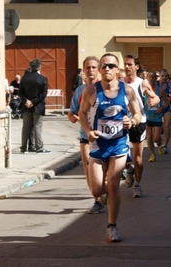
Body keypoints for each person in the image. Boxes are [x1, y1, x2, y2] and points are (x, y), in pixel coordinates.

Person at [78, 53, 142, 242]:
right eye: (104, 66)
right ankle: (128, 168)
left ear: (117, 70)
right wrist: (88, 130)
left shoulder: (127, 90)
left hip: (118, 144)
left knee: (113, 186)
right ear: (99, 69)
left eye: (111, 66)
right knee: (97, 190)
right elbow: (82, 113)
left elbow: (137, 113)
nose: (107, 69)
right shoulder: (90, 91)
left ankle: (112, 227)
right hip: (98, 144)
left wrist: (131, 121)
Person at [67, 56, 104, 214]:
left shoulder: (104, 89)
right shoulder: (80, 91)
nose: (91, 70)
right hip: (85, 136)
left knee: (105, 171)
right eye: (88, 67)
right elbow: (72, 111)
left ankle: (106, 190)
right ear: (83, 70)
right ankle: (96, 200)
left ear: (99, 70)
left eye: (94, 67)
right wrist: (73, 117)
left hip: (104, 136)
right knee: (89, 169)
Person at [122, 54, 159, 198]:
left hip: (139, 122)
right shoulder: (119, 82)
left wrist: (153, 101)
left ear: (136, 67)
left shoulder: (141, 83)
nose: (127, 67)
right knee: (121, 156)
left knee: (137, 158)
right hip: (122, 122)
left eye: (130, 64)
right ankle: (129, 169)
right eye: (125, 64)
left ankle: (137, 184)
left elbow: (154, 96)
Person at [19, 58, 50, 154]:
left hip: (26, 106)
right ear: (39, 67)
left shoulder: (24, 78)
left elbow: (20, 93)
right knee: (37, 126)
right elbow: (43, 94)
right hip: (38, 106)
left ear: (30, 66)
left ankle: (24, 147)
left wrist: (26, 101)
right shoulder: (43, 79)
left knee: (26, 127)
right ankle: (39, 147)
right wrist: (33, 102)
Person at [144, 71, 169, 162]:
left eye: (153, 77)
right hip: (148, 116)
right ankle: (152, 154)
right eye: (149, 77)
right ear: (147, 78)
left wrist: (161, 108)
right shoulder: (144, 90)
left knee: (157, 137)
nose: (151, 79)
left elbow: (167, 102)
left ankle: (159, 145)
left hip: (157, 116)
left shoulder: (160, 90)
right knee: (149, 137)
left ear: (156, 78)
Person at [157, 69, 171, 154]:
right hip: (157, 108)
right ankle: (159, 143)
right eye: (162, 76)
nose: (164, 77)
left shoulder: (170, 85)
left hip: (167, 107)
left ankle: (165, 145)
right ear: (159, 76)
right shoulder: (154, 84)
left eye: (166, 76)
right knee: (157, 130)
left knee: (168, 126)